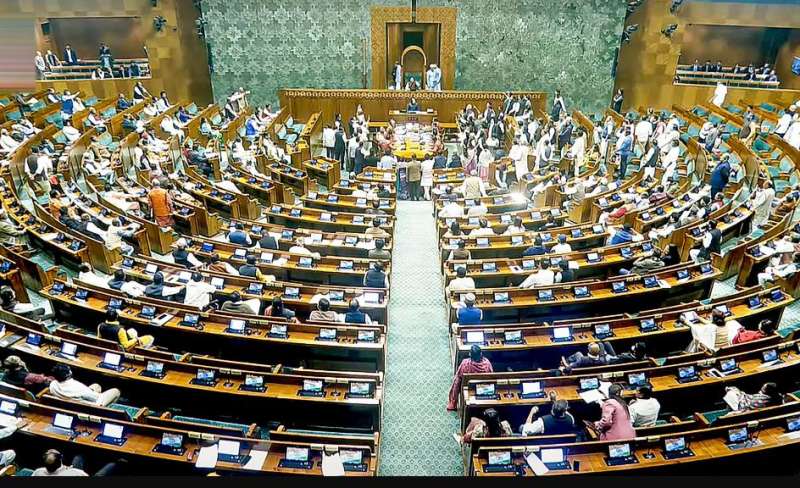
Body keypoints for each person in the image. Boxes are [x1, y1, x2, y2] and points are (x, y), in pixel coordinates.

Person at [49, 363, 120, 407]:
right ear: (68, 374)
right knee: (116, 391)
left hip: (71, 402)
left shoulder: (52, 385)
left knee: (96, 386)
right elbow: (97, 398)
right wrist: (99, 395)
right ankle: (105, 411)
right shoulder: (78, 387)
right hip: (89, 407)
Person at [447, 345, 493, 411]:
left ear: (470, 354)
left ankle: (453, 403)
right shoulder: (487, 364)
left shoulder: (465, 364)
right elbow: (491, 378)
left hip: (469, 389)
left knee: (457, 379)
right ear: (481, 354)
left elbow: (457, 381)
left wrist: (453, 400)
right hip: (484, 389)